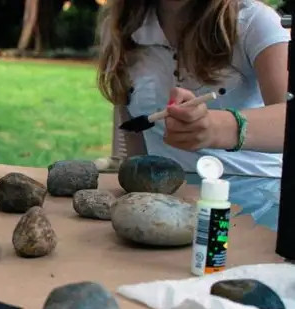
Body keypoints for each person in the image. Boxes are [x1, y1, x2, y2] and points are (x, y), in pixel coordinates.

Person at [96, 0, 290, 177]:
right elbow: (135, 144)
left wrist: (216, 128)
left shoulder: (254, 21)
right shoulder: (121, 28)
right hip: (169, 200)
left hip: (258, 194)